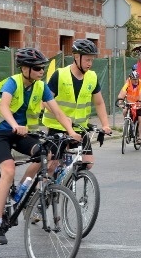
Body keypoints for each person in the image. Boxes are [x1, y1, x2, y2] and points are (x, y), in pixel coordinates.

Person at [0, 48, 81, 245]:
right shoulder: (13, 82)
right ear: (24, 68)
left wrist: (71, 132)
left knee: (47, 152)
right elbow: (3, 106)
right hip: (0, 132)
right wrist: (14, 125)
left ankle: (21, 194)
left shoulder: (40, 87)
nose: (41, 71)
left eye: (42, 68)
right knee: (8, 170)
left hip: (23, 133)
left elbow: (59, 113)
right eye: (36, 68)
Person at [42, 39, 112, 170]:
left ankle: (69, 179)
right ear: (76, 57)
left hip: (80, 127)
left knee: (88, 163)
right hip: (58, 126)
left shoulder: (92, 76)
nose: (90, 64)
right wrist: (62, 117)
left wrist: (106, 124)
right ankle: (49, 188)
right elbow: (45, 101)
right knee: (52, 165)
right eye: (87, 60)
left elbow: (99, 102)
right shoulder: (60, 75)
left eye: (92, 60)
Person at [116, 71, 141, 145]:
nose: (135, 81)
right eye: (133, 79)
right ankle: (127, 124)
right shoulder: (128, 83)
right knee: (124, 111)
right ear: (130, 79)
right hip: (130, 103)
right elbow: (122, 92)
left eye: (136, 79)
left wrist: (140, 103)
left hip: (139, 103)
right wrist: (120, 101)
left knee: (140, 119)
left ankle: (140, 137)